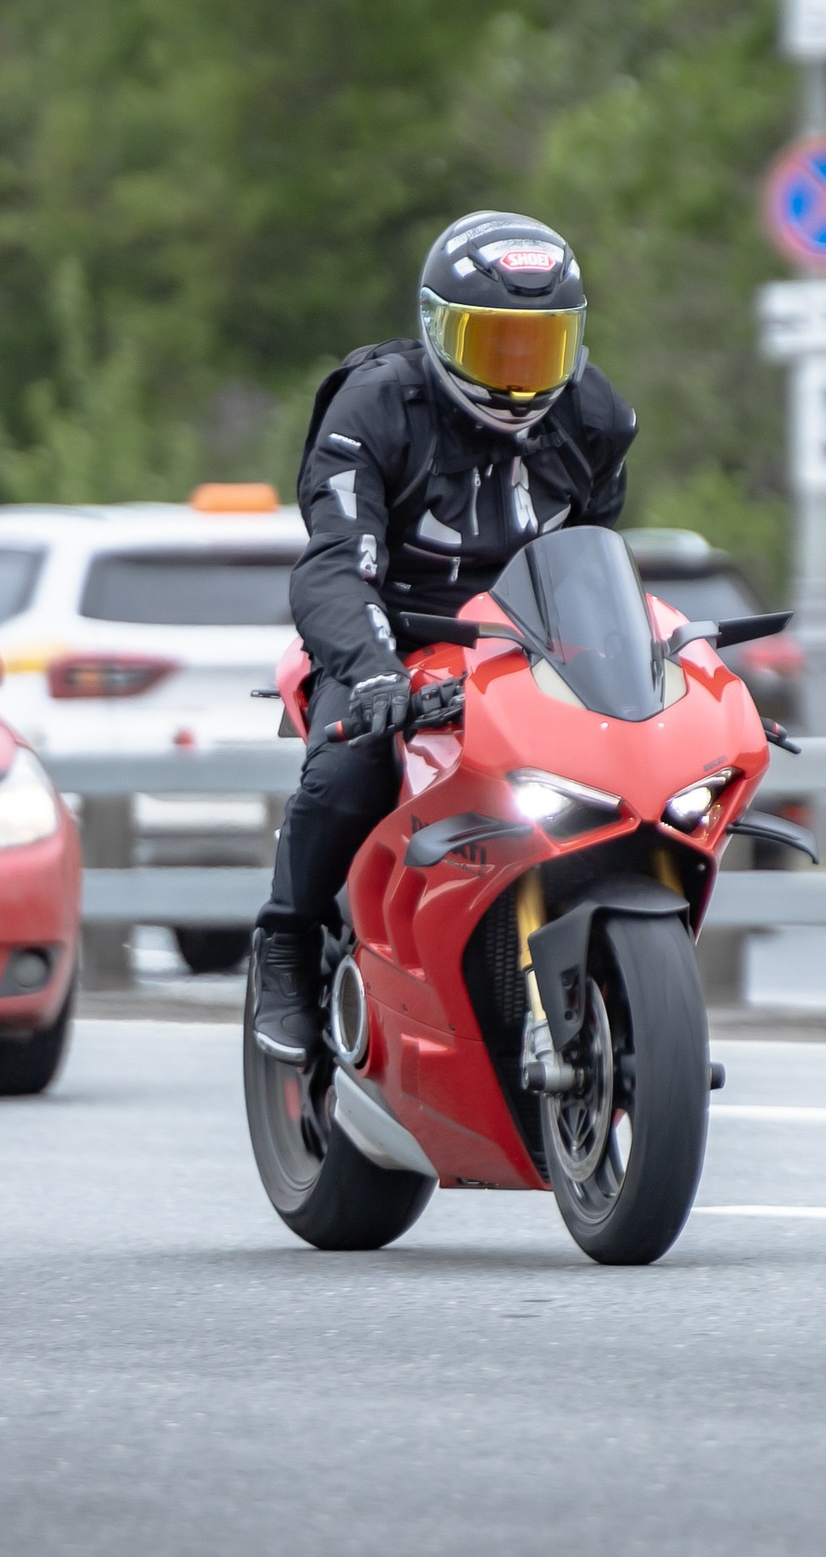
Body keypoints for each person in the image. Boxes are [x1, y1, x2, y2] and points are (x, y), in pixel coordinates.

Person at [251, 210, 638, 1061]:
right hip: (387, 632)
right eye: (490, 344)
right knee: (353, 761)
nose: (515, 373)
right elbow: (332, 564)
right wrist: (371, 671)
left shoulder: (597, 418)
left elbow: (598, 562)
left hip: (524, 649)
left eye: (536, 347)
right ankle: (285, 941)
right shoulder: (375, 405)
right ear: (435, 329)